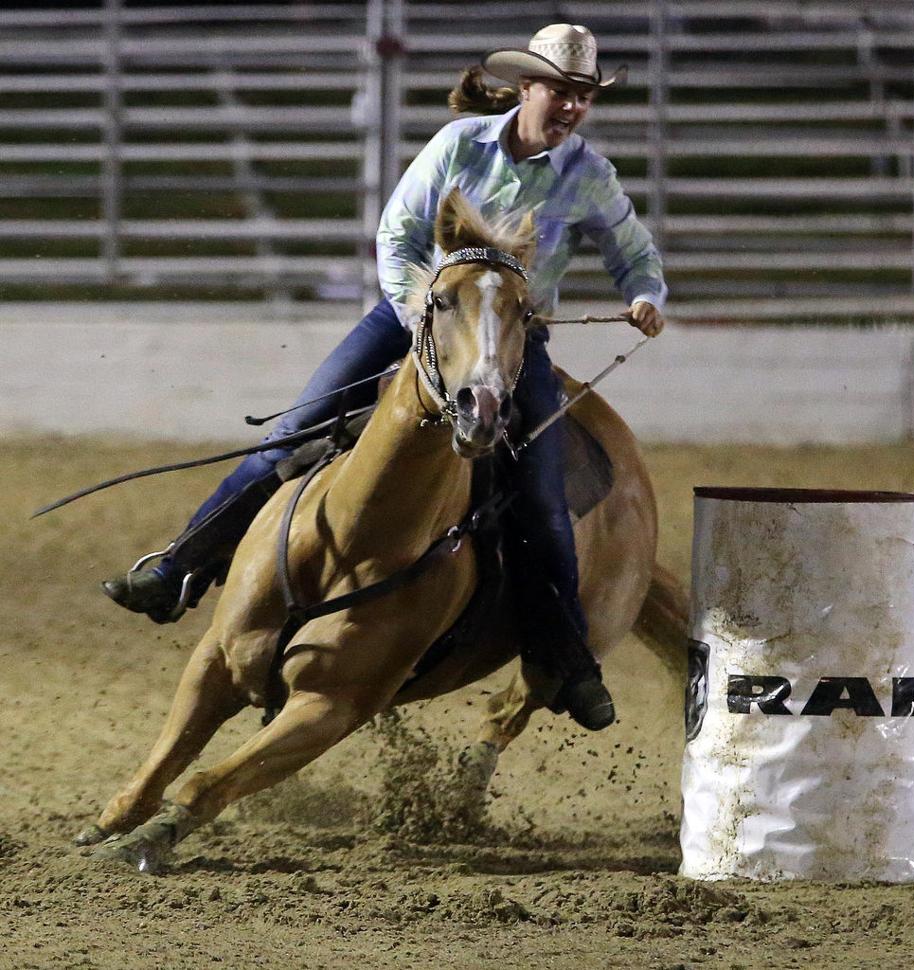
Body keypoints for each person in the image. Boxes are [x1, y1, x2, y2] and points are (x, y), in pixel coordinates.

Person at [101, 23, 668, 731]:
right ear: (529, 88)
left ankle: (566, 658)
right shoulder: (459, 146)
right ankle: (181, 564)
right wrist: (421, 318)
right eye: (562, 90)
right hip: (416, 317)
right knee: (291, 433)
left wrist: (646, 295)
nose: (573, 107)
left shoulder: (590, 174)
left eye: (584, 96)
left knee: (544, 501)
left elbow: (634, 252)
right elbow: (397, 237)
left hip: (511, 341)